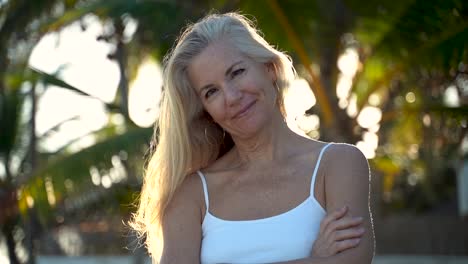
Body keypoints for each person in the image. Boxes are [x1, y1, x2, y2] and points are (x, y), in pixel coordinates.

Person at [131, 12, 374, 263]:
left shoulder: (338, 165)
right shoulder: (190, 194)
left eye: (236, 72)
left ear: (269, 69)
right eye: (211, 92)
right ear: (207, 112)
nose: (232, 97)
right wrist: (315, 259)